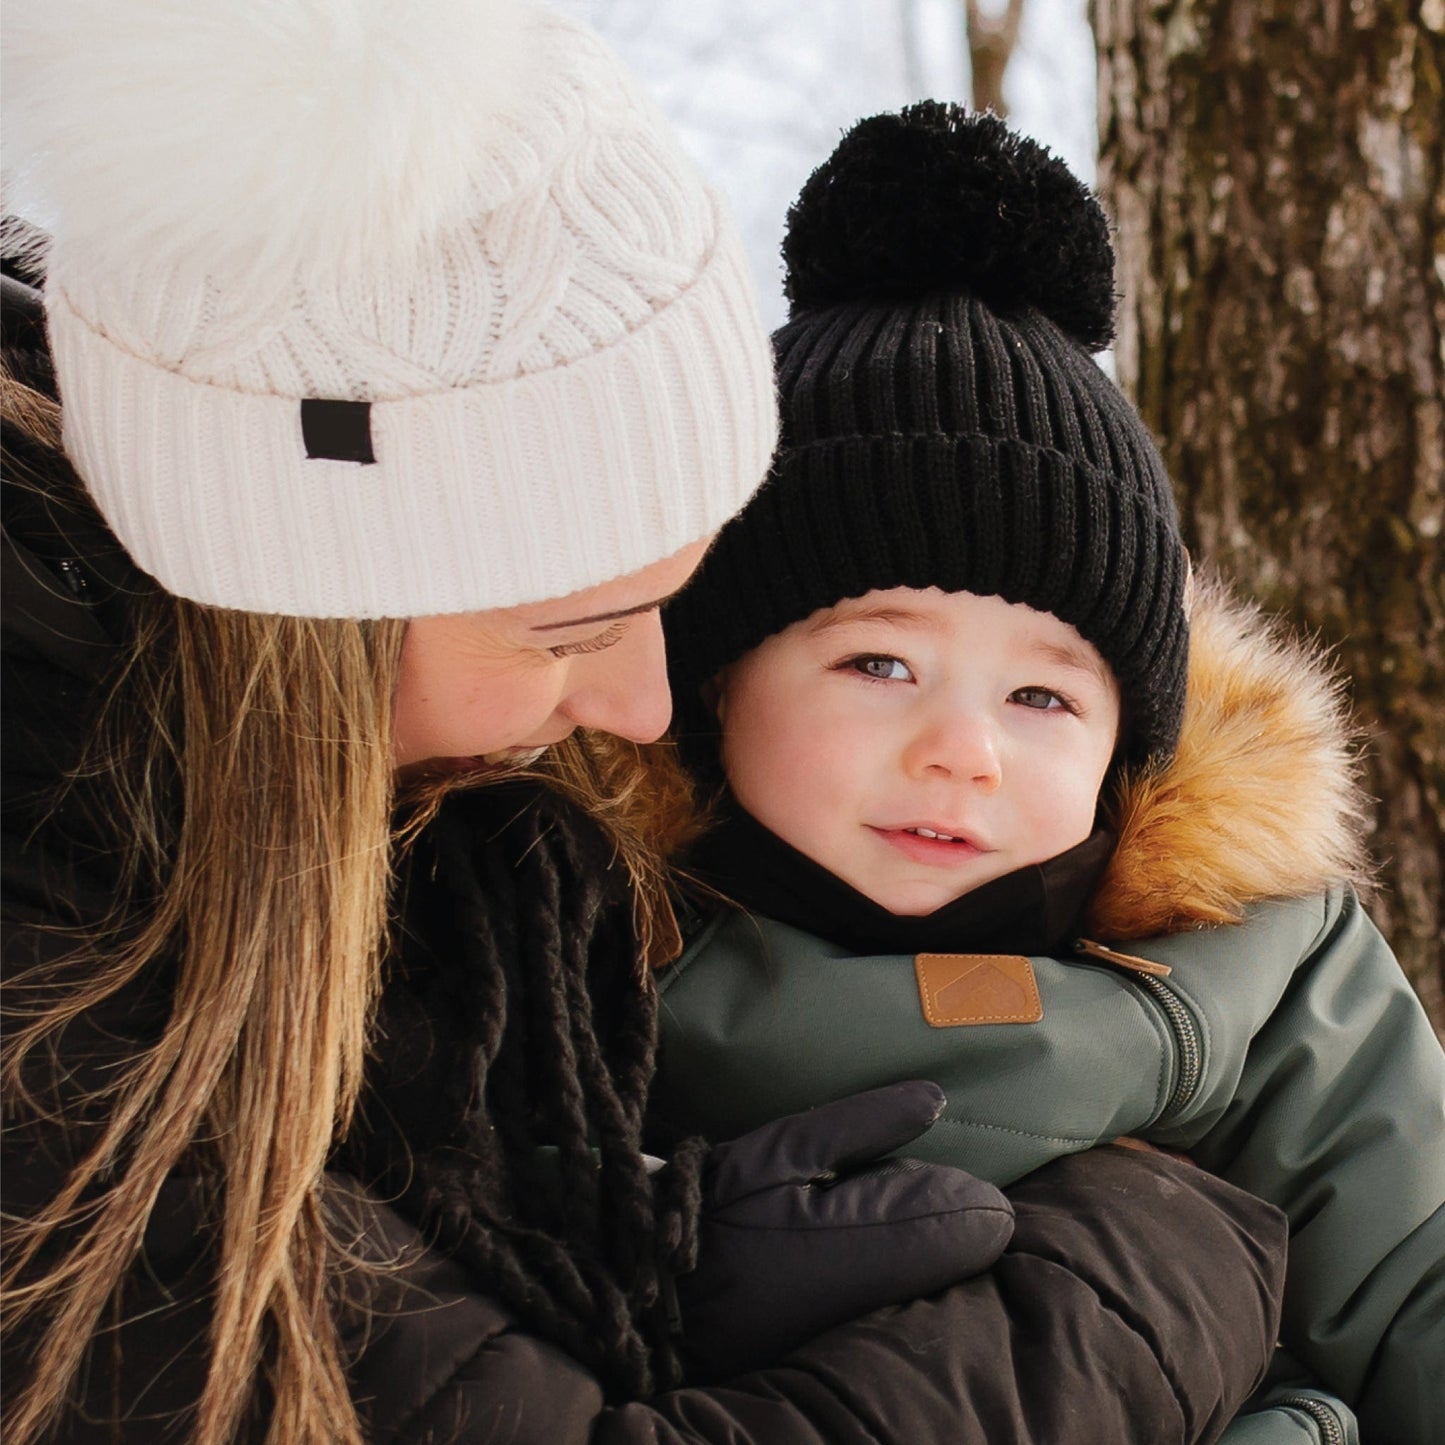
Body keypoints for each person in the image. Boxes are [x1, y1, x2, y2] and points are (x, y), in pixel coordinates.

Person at [1, 4, 1289, 1440]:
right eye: (569, 630)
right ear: (303, 603)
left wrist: (633, 1260)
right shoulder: (44, 980)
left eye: (660, 617)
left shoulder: (424, 849)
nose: (640, 709)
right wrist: (1134, 1284)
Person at [656, 103, 1445, 1445]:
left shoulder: (1251, 964)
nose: (962, 748)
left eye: (1040, 694)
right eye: (878, 665)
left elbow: (1414, 1276)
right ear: (713, 680)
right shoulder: (560, 958)